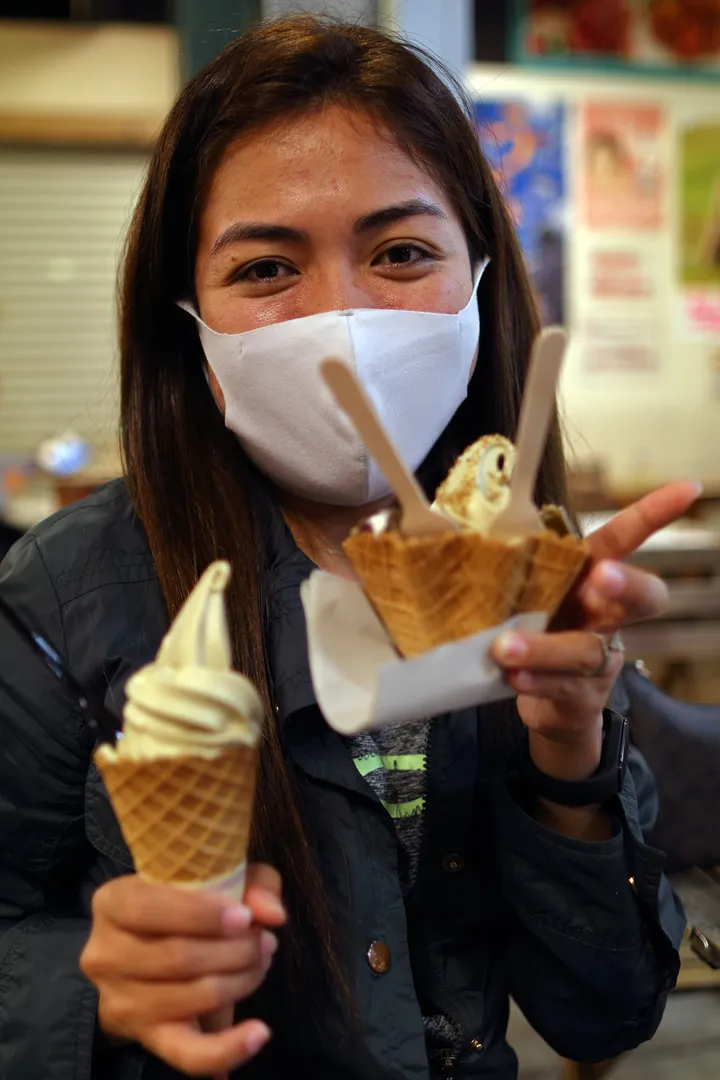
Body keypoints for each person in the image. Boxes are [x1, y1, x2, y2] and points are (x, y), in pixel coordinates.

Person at [0, 16, 692, 1080]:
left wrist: (571, 755)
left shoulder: (528, 572)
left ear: (478, 279)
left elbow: (604, 1018)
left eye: (402, 252)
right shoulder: (61, 598)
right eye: (269, 266)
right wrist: (94, 993)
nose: (344, 316)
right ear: (191, 322)